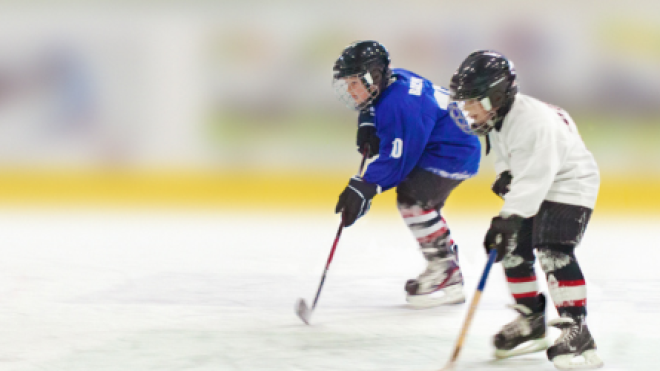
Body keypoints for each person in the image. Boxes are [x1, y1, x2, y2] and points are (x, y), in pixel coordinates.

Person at [447, 50, 603, 369]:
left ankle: (577, 328)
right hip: (540, 183)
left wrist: (509, 217)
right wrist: (505, 172)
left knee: (552, 250)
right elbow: (509, 152)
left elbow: (537, 176)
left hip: (571, 184)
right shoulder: (502, 116)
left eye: (475, 102)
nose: (469, 111)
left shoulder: (534, 122)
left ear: (498, 95)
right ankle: (531, 321)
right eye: (466, 103)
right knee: (514, 250)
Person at [332, 40, 481, 308]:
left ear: (373, 77)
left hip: (452, 152)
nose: (349, 89)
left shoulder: (399, 106)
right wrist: (369, 120)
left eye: (353, 82)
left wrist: (364, 187)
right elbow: (387, 114)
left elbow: (397, 162)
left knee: (414, 200)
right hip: (449, 144)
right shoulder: (396, 81)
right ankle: (447, 269)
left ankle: (446, 271)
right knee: (421, 202)